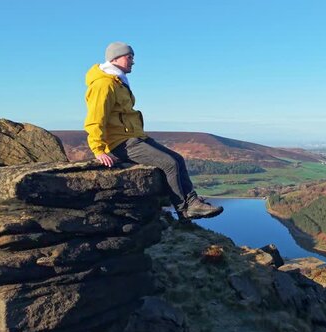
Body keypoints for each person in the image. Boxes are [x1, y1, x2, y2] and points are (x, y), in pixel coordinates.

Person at [84, 41, 223, 219]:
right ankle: (185, 209)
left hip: (134, 137)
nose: (133, 61)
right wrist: (98, 149)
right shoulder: (104, 85)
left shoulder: (118, 82)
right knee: (169, 163)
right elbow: (95, 118)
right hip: (120, 142)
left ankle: (192, 202)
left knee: (178, 159)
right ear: (115, 58)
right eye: (129, 57)